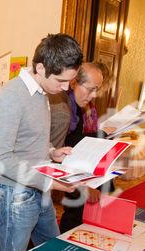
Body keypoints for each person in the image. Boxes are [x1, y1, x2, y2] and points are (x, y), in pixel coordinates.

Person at [0, 33, 83, 251]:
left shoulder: (43, 92)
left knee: (52, 250)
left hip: (38, 189)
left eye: (68, 82)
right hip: (15, 195)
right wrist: (50, 182)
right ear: (40, 68)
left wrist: (52, 151)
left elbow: (29, 138)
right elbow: (1, 159)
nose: (64, 88)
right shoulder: (11, 96)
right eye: (60, 81)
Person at [49, 62, 112, 233]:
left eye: (97, 89)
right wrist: (83, 184)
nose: (94, 95)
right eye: (90, 89)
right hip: (52, 173)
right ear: (74, 82)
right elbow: (62, 145)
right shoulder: (61, 108)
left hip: (68, 170)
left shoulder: (79, 105)